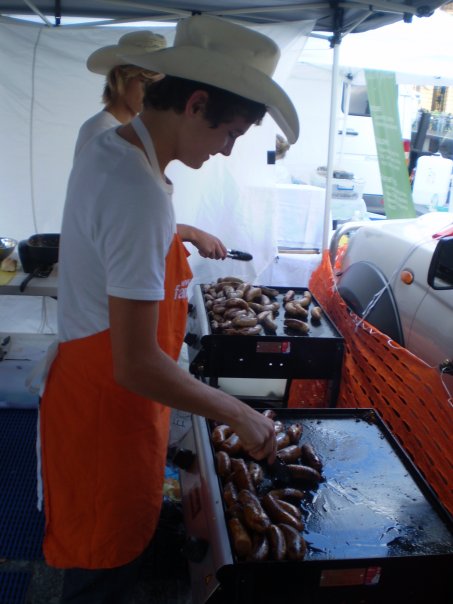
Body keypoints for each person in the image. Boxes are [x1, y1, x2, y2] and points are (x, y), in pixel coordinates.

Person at [40, 13, 299, 603]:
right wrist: (237, 411)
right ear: (196, 103)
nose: (227, 149)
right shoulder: (138, 192)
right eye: (229, 132)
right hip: (110, 406)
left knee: (100, 566)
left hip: (98, 397)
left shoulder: (112, 146)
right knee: (101, 577)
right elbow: (134, 363)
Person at [75, 30, 227, 261]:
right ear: (121, 78)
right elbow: (126, 220)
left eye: (159, 84)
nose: (153, 93)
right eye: (146, 82)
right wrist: (191, 232)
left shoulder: (132, 131)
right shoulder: (103, 132)